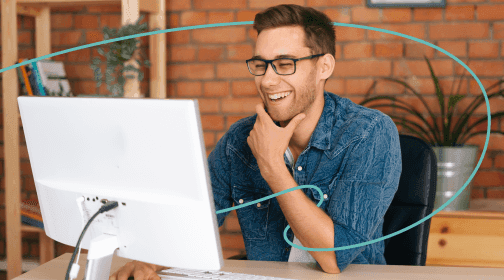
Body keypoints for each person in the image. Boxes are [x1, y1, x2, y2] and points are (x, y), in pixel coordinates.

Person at [110, 4, 402, 279]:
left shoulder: (369, 133)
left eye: (285, 64)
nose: (267, 80)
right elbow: (195, 225)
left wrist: (272, 166)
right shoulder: (239, 141)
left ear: (324, 67)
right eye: (261, 65)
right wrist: (147, 263)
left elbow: (335, 257)